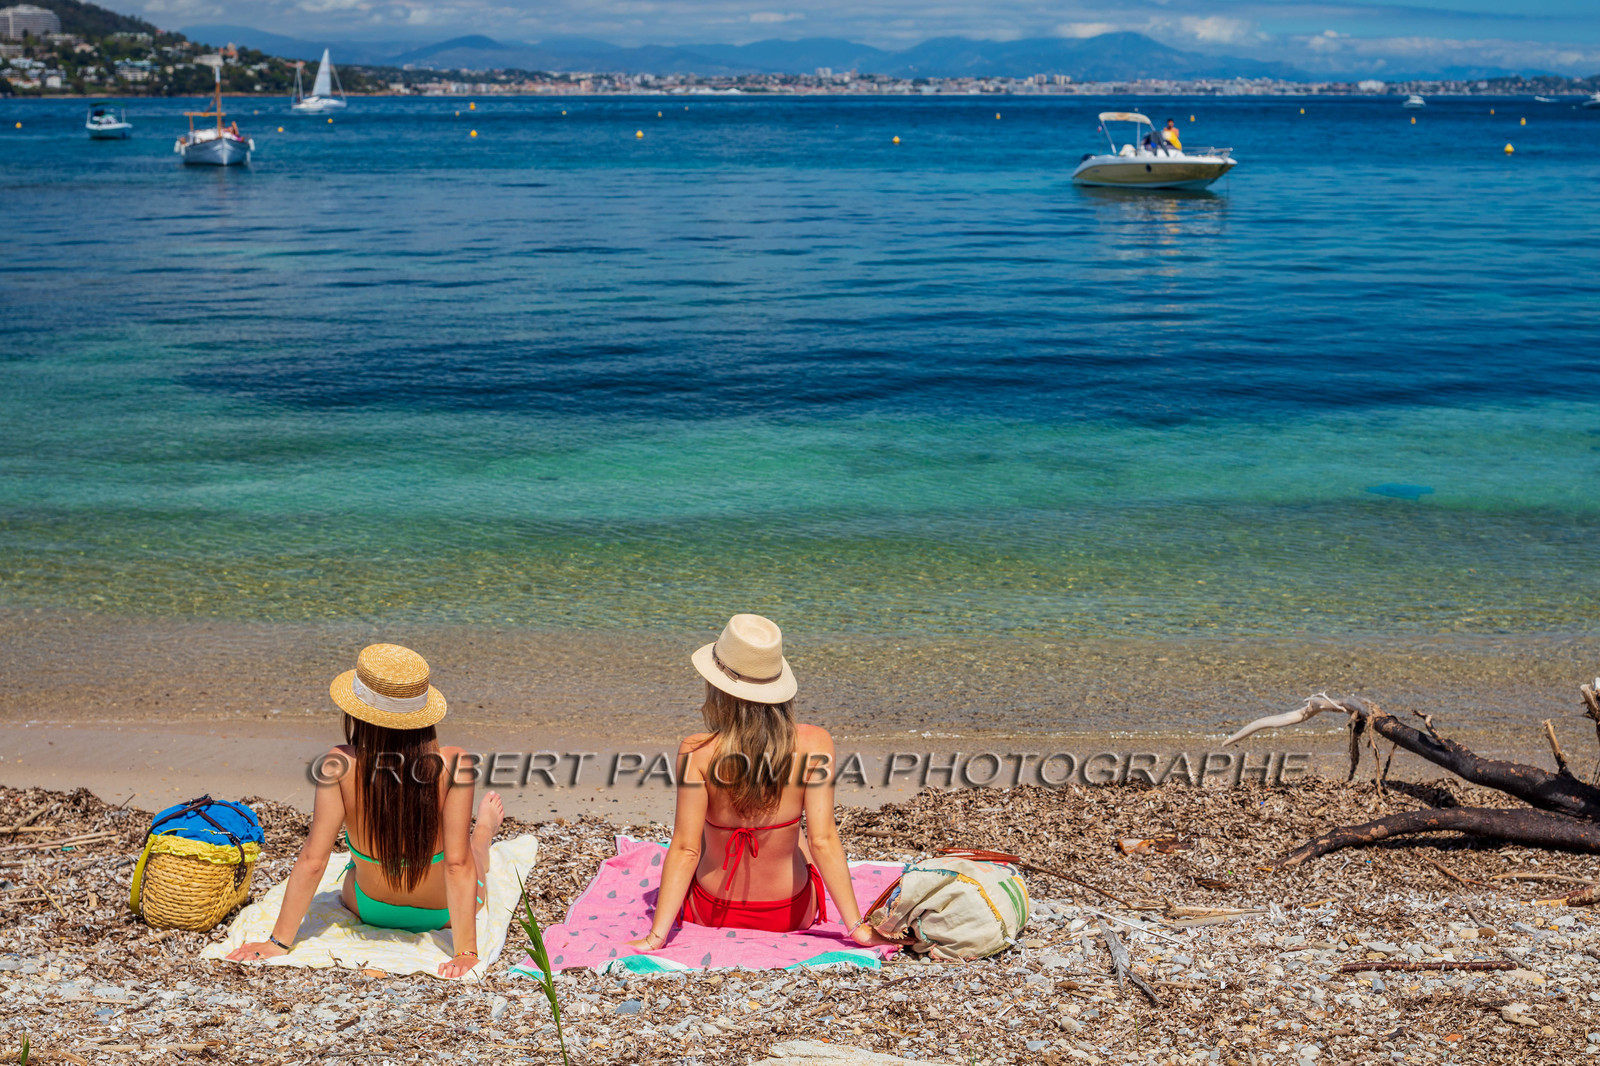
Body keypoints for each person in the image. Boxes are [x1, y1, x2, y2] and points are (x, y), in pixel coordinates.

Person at [624, 614, 905, 950]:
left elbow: (685, 850)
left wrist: (656, 937)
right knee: (801, 832)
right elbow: (824, 840)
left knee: (702, 828)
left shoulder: (696, 751)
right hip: (790, 913)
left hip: (711, 910)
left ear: (717, 687)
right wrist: (857, 928)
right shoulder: (815, 743)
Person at [227, 644, 503, 978]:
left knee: (356, 860)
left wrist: (278, 942)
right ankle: (485, 832)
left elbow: (314, 860)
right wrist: (465, 953)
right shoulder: (456, 762)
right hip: (440, 912)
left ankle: (479, 834)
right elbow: (457, 866)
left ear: (357, 711)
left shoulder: (339, 763)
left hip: (368, 907)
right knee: (469, 852)